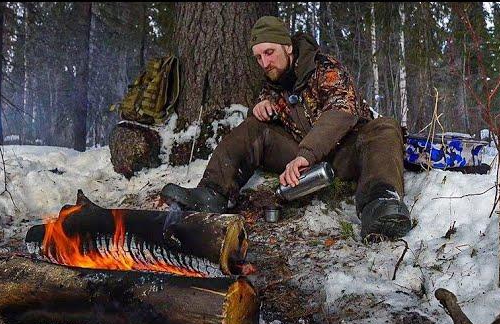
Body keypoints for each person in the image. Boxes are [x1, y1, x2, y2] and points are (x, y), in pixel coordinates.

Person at [161, 16, 411, 239]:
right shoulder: (271, 85)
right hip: (302, 160)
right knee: (252, 127)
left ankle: (380, 203)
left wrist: (305, 154)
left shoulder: (324, 68)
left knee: (385, 128)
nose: (264, 62)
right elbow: (258, 130)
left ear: (288, 47)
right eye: (258, 57)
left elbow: (341, 112)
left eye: (269, 52)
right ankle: (212, 193)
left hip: (345, 152)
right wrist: (258, 109)